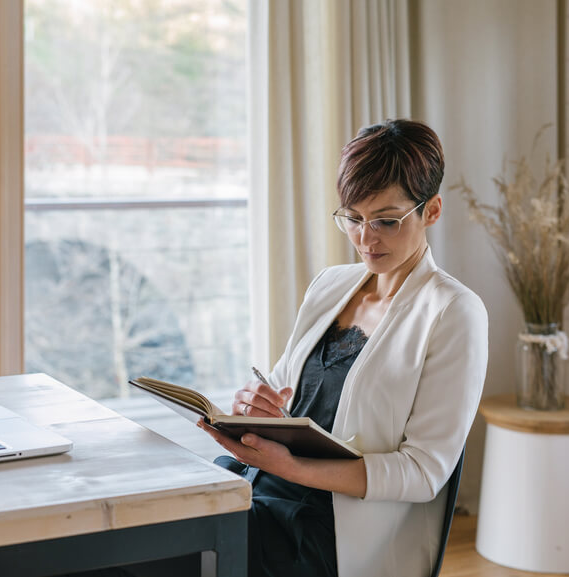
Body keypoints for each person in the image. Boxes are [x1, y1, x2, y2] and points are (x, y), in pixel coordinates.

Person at [199, 119, 489, 577]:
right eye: (353, 218)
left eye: (387, 221)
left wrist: (293, 468)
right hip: (263, 487)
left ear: (431, 211)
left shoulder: (453, 312)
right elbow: (278, 385)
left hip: (331, 531)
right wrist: (252, 405)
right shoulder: (331, 284)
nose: (365, 239)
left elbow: (423, 473)